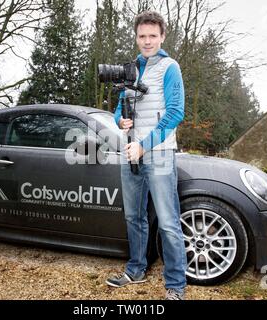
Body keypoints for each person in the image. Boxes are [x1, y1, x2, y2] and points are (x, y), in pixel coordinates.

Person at [105, 11, 187, 300]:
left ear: (162, 37)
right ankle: (136, 269)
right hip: (130, 153)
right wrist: (120, 121)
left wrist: (144, 145)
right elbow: (119, 107)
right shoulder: (129, 70)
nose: (147, 41)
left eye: (153, 35)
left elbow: (176, 112)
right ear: (136, 37)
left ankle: (176, 286)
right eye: (142, 36)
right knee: (134, 216)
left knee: (167, 221)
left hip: (160, 155)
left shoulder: (170, 67)